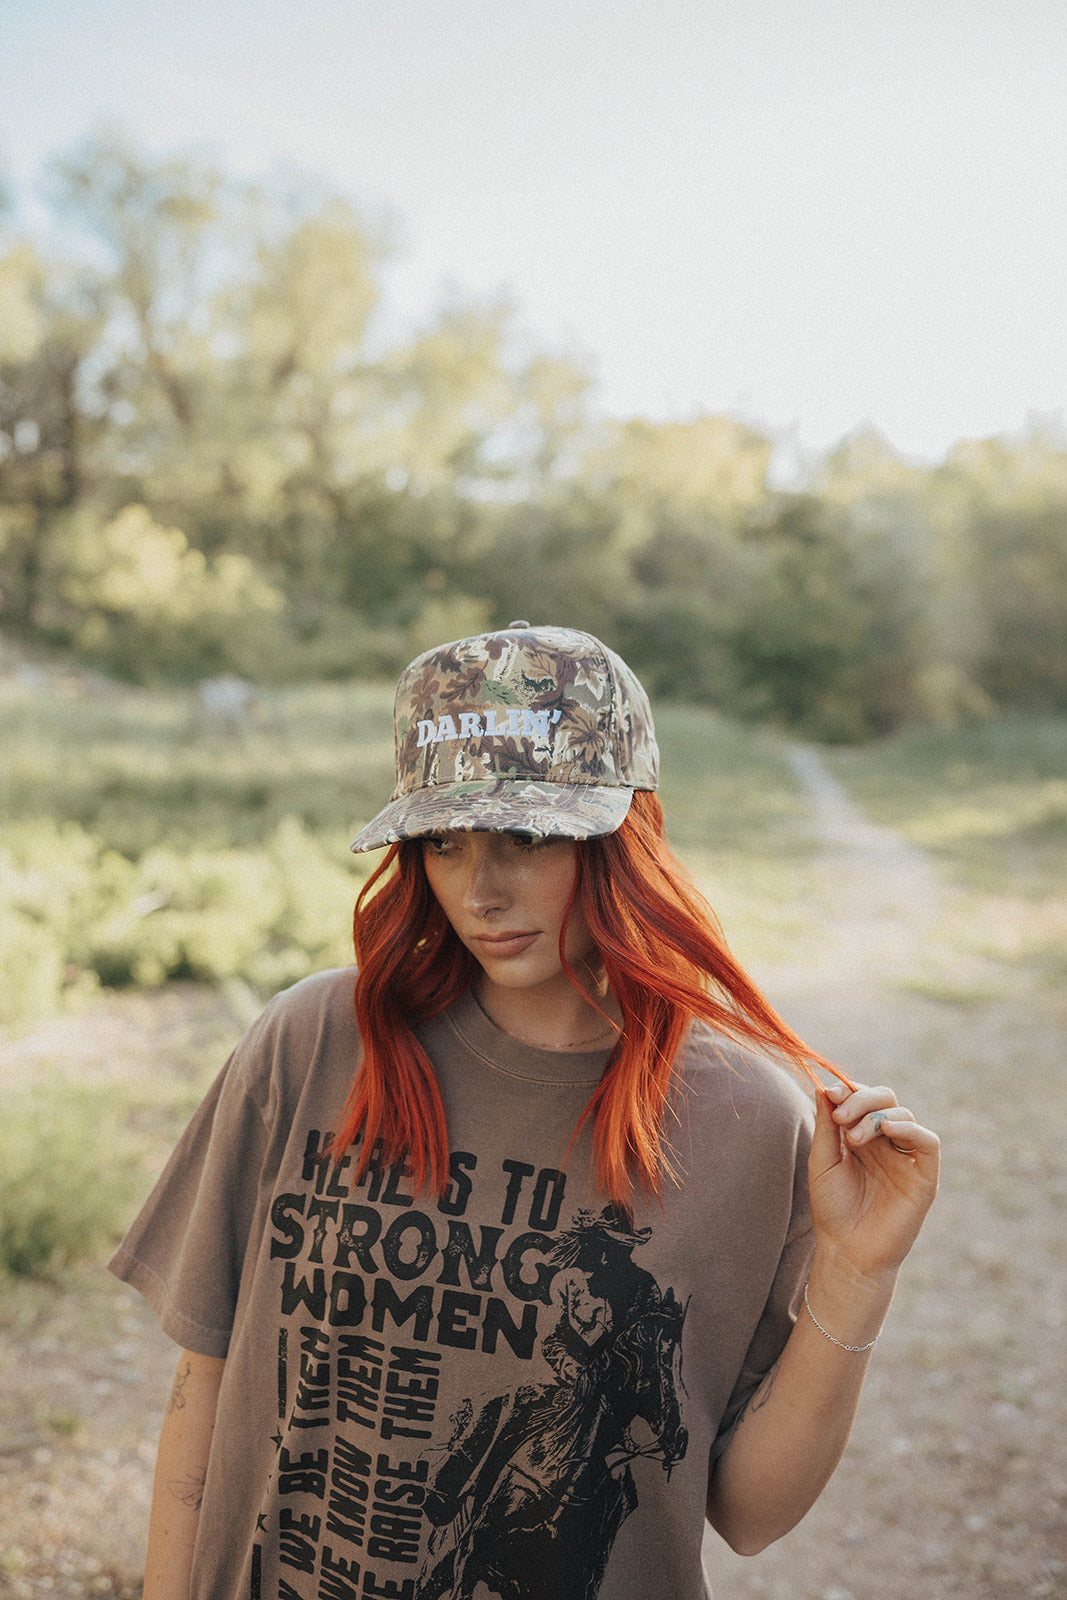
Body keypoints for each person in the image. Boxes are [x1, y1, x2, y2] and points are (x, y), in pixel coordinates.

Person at [110, 621, 939, 1600]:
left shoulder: (745, 1116)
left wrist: (856, 1271)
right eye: (443, 841)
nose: (480, 889)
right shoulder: (314, 1044)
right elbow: (202, 1390)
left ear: (626, 835)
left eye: (529, 837)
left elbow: (747, 1513)